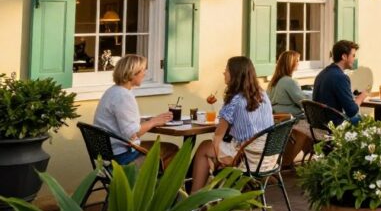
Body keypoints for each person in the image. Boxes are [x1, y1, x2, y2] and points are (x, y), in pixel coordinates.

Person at [192, 56, 274, 190]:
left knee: (204, 147)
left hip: (246, 158)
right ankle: (213, 194)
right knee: (215, 150)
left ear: (235, 75)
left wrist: (219, 159)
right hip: (267, 157)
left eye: (227, 70)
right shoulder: (263, 95)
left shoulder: (235, 101)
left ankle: (193, 199)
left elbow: (218, 136)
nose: (224, 73)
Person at [93, 54, 179, 166]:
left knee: (165, 148)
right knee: (171, 150)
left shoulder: (113, 91)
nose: (145, 73)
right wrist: (153, 122)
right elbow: (132, 133)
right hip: (122, 155)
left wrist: (148, 121)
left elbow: (124, 124)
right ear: (132, 74)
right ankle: (156, 183)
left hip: (108, 152)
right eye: (143, 70)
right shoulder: (123, 96)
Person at [268, 50, 313, 167]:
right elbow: (302, 101)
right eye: (297, 61)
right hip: (289, 118)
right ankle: (288, 161)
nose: (299, 63)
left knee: (304, 129)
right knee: (309, 129)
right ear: (290, 63)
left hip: (277, 118)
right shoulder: (288, 81)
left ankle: (290, 159)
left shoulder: (274, 81)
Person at [312, 40, 366, 126]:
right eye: (353, 55)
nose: (354, 59)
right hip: (334, 126)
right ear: (344, 56)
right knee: (365, 121)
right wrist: (361, 97)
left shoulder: (322, 74)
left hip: (319, 125)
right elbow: (351, 111)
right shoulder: (341, 77)